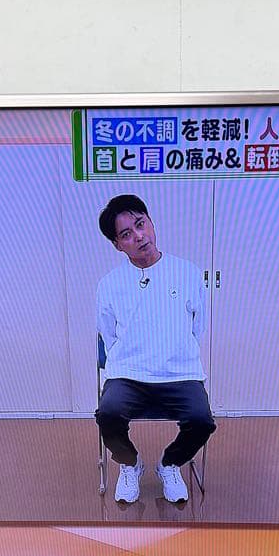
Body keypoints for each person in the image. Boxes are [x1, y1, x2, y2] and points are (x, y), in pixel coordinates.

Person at [95, 194, 216, 505]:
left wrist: (172, 352)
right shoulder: (109, 284)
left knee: (202, 420)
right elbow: (108, 334)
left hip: (179, 373)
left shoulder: (188, 273)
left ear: (150, 222)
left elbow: (197, 326)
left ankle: (170, 464)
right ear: (118, 245)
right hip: (128, 375)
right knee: (108, 414)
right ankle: (130, 464)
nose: (139, 236)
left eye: (141, 224)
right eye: (126, 234)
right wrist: (132, 358)